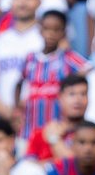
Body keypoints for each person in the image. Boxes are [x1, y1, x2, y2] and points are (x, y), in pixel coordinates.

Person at [16, 11, 89, 142]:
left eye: (56, 30)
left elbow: (89, 69)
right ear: (40, 30)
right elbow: (18, 84)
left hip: (57, 133)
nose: (51, 34)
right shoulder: (30, 59)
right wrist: (16, 109)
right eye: (47, 28)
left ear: (64, 33)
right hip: (28, 132)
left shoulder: (67, 58)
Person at [0, 0, 42, 119]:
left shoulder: (49, 40)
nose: (22, 2)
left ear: (39, 1)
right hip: (5, 119)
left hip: (39, 117)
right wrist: (9, 114)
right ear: (11, 1)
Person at [25, 74, 91, 163]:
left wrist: (54, 139)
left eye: (83, 94)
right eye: (72, 94)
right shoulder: (40, 134)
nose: (78, 100)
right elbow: (27, 168)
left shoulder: (94, 135)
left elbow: (83, 169)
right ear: (59, 98)